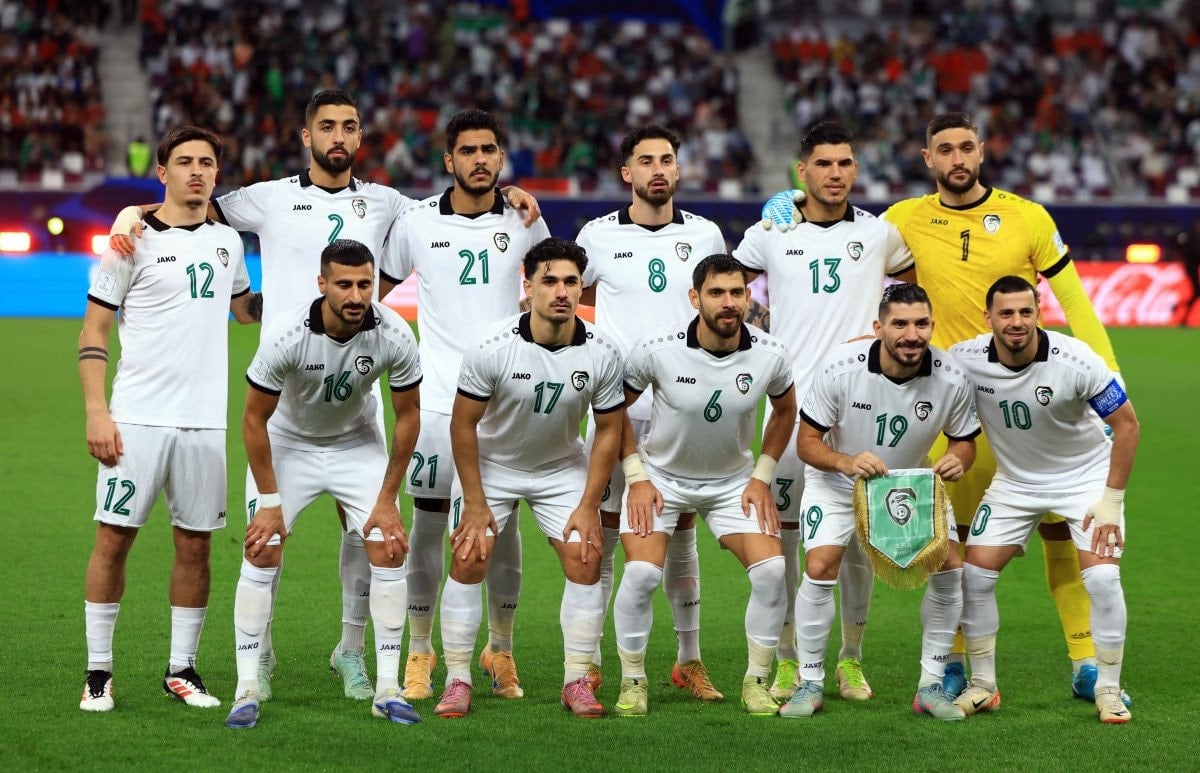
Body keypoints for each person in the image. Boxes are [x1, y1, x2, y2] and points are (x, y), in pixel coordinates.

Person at [109, 90, 542, 702]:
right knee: (267, 535)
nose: (338, 136)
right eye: (327, 126)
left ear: (360, 137)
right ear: (306, 136)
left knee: (367, 534)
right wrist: (132, 213)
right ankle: (259, 653)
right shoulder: (267, 198)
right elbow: (189, 203)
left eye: (349, 126)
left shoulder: (388, 204)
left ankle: (351, 650)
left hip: (355, 400)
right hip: (282, 397)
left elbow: (455, 208)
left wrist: (512, 193)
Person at [881, 112, 1124, 702]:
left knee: (1062, 535)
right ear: (928, 158)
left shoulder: (1027, 217)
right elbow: (844, 244)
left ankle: (1086, 661)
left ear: (982, 151)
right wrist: (791, 205)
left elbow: (1074, 301)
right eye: (945, 149)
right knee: (957, 543)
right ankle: (957, 660)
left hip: (1027, 398)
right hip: (951, 406)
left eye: (966, 147)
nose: (957, 158)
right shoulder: (902, 219)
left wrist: (1111, 373)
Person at [732, 121, 914, 702]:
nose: (836, 173)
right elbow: (727, 288)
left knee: (860, 536)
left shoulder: (879, 234)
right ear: (802, 170)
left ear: (855, 169)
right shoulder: (771, 231)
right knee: (786, 535)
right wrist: (762, 332)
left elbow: (913, 290)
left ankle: (850, 658)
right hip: (791, 407)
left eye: (845, 163)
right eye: (824, 163)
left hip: (861, 405)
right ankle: (788, 658)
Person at [79, 125, 256, 713]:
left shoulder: (229, 241)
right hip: (137, 419)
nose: (196, 171)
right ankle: (98, 672)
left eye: (206, 162)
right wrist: (97, 412)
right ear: (163, 172)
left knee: (196, 546)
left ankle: (181, 669)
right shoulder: (129, 240)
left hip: (204, 422)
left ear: (217, 173)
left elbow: (244, 311)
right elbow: (93, 332)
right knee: (113, 539)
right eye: (184, 162)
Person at [380, 109, 552, 702]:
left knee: (502, 527)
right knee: (429, 523)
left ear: (501, 157)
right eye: (468, 151)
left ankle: (499, 647)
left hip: (507, 401)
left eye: (489, 150)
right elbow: (376, 294)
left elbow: (558, 288)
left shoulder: (525, 219)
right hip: (436, 401)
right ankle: (420, 649)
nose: (480, 159)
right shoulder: (416, 220)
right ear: (448, 159)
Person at [225, 239, 423, 729]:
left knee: (388, 545)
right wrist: (269, 501)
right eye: (344, 285)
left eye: (364, 284)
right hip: (288, 443)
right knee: (262, 547)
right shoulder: (287, 334)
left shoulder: (394, 333)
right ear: (322, 284)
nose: (356, 296)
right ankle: (249, 682)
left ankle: (386, 686)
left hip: (355, 442)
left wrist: (387, 499)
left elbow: (408, 416)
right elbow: (253, 420)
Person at [431, 237, 625, 719]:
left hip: (560, 467)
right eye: (550, 281)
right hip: (493, 466)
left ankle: (576, 680)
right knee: (469, 556)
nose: (561, 291)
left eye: (571, 282)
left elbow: (608, 430)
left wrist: (589, 504)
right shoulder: (492, 347)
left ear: (581, 287)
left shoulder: (603, 351)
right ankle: (457, 680)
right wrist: (474, 502)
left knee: (586, 557)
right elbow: (463, 425)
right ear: (529, 286)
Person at [778, 283, 979, 721]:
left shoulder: (951, 377)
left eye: (921, 323)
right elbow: (807, 443)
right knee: (821, 566)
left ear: (932, 325)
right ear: (879, 327)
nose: (912, 334)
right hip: (837, 483)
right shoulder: (840, 367)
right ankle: (809, 682)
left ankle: (930, 685)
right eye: (900, 324)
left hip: (907, 484)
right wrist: (845, 461)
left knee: (951, 568)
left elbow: (965, 441)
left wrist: (958, 459)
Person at [575, 124, 727, 699]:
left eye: (667, 159)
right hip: (618, 409)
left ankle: (688, 659)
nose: (657, 169)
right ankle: (588, 661)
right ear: (627, 173)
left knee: (681, 529)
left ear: (679, 169)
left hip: (682, 409)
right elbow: (566, 296)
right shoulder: (597, 235)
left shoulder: (706, 234)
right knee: (607, 532)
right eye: (646, 161)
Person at [611, 254, 795, 717]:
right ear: (695, 298)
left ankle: (756, 681)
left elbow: (785, 411)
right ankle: (633, 681)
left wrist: (762, 476)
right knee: (641, 575)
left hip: (732, 482)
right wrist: (635, 476)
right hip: (661, 478)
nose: (728, 302)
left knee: (773, 572)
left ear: (748, 297)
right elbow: (612, 409)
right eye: (716, 293)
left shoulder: (771, 353)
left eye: (736, 292)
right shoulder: (657, 349)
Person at [949, 276, 1137, 724]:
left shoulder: (1077, 359)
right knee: (974, 576)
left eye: (1025, 311)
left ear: (1039, 313)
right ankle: (983, 685)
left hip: (1084, 479)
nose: (1017, 322)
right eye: (1006, 313)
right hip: (1015, 483)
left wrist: (1111, 501)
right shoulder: (964, 359)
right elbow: (915, 367)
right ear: (988, 318)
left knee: (1103, 579)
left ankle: (1108, 688)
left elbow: (1127, 425)